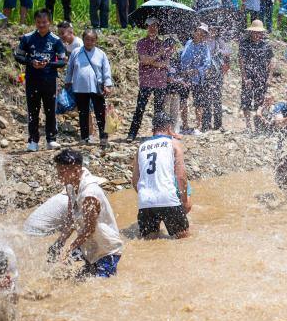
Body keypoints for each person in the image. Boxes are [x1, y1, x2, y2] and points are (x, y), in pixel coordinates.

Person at [48, 149, 123, 277]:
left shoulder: (89, 195)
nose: (59, 177)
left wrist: (68, 249)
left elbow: (89, 229)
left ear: (76, 171)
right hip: (88, 245)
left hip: (107, 249)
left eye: (62, 173)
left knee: (101, 286)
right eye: (58, 172)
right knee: (56, 266)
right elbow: (71, 217)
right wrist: (60, 241)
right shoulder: (70, 185)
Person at [131, 112, 191, 238]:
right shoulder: (173, 144)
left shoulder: (141, 147)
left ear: (153, 129)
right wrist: (184, 200)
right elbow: (181, 177)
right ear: (169, 128)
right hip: (168, 198)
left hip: (145, 201)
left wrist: (148, 196)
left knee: (149, 243)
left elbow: (135, 180)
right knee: (183, 239)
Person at [15, 8, 67, 152]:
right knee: (33, 111)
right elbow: (18, 56)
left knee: (50, 110)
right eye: (39, 22)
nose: (41, 25)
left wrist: (48, 64)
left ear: (49, 22)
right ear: (35, 22)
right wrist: (31, 62)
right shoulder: (27, 38)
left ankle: (51, 139)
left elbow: (63, 61)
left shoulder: (56, 40)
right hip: (32, 79)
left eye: (44, 22)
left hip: (50, 80)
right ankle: (33, 141)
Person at [65, 29, 112, 146]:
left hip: (97, 87)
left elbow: (106, 70)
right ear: (83, 39)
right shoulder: (76, 52)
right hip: (80, 87)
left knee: (100, 113)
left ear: (96, 41)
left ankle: (103, 137)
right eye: (87, 39)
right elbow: (70, 68)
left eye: (92, 40)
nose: (89, 42)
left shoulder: (101, 54)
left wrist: (107, 85)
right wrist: (67, 81)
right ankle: (85, 137)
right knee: (83, 113)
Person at [127, 18, 170, 141]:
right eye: (150, 26)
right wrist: (158, 55)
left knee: (159, 110)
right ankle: (132, 134)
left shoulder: (163, 44)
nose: (153, 28)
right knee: (140, 108)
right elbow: (144, 60)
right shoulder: (141, 42)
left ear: (158, 28)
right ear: (147, 27)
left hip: (160, 81)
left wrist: (151, 61)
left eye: (155, 26)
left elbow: (165, 63)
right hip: (146, 81)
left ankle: (158, 134)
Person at [239, 20, 273, 130]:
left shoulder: (266, 44)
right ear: (251, 32)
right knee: (246, 101)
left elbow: (271, 60)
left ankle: (258, 126)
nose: (257, 35)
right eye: (255, 32)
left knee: (260, 101)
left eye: (259, 33)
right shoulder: (244, 43)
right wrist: (244, 78)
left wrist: (269, 77)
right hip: (248, 77)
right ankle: (248, 126)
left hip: (262, 76)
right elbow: (241, 61)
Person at [180, 24, 212, 135]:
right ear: (195, 32)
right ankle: (184, 125)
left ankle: (198, 126)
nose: (200, 34)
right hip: (185, 78)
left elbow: (207, 64)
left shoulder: (205, 46)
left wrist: (196, 70)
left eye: (203, 32)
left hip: (198, 78)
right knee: (183, 101)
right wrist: (185, 70)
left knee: (198, 103)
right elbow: (182, 58)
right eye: (199, 31)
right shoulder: (188, 43)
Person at [202, 27, 231, 132]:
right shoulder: (204, 41)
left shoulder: (220, 41)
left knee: (217, 99)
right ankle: (206, 124)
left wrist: (220, 51)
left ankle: (218, 124)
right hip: (206, 73)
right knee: (207, 99)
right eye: (211, 30)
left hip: (218, 72)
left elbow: (228, 52)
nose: (213, 32)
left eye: (215, 30)